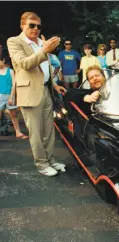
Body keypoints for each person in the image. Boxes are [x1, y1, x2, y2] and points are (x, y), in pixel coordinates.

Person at [7, 11, 67, 177]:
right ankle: (41, 164)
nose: (36, 29)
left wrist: (54, 85)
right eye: (31, 25)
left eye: (38, 26)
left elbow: (45, 69)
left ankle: (51, 160)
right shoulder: (14, 41)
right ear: (22, 25)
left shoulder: (41, 41)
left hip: (46, 89)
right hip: (29, 92)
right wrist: (45, 50)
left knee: (49, 130)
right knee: (36, 132)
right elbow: (25, 64)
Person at [0, 53, 27, 138]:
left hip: (9, 95)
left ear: (3, 60)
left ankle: (18, 132)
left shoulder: (10, 71)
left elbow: (14, 84)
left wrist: (12, 96)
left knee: (14, 115)